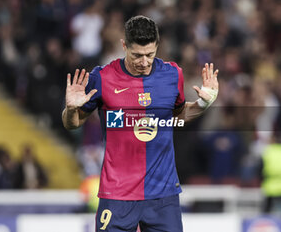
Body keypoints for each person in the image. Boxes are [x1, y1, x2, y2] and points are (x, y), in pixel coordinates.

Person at [62, 15, 219, 232]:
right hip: (117, 194)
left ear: (157, 46)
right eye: (137, 55)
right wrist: (70, 110)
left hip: (163, 195)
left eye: (150, 55)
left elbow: (179, 116)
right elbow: (73, 123)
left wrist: (204, 103)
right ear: (124, 45)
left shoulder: (173, 75)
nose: (144, 62)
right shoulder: (102, 78)